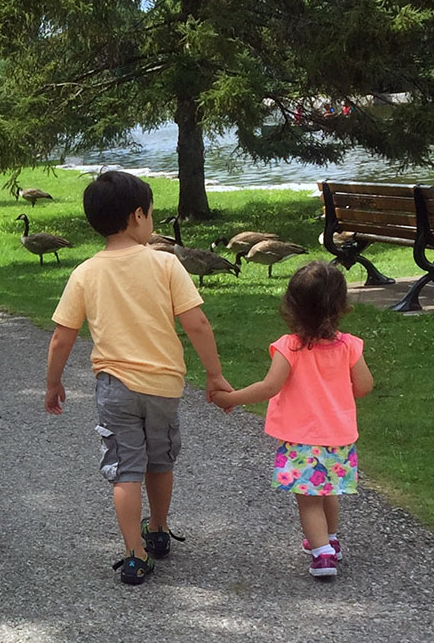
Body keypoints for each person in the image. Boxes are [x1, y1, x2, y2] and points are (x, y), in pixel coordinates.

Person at [44, 171, 232, 584]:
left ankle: (134, 554)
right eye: (151, 214)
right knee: (160, 462)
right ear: (136, 216)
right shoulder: (165, 263)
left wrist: (53, 383)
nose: (152, 222)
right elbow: (197, 323)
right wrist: (214, 375)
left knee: (125, 469)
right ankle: (159, 530)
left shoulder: (85, 272)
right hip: (164, 387)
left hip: (114, 388)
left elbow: (62, 337)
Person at [211, 261, 373, 578]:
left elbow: (270, 386)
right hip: (338, 436)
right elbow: (364, 387)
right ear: (340, 306)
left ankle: (322, 554)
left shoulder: (290, 347)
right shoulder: (349, 346)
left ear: (293, 306)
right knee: (329, 491)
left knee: (308, 500)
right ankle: (331, 539)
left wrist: (230, 398)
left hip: (303, 438)